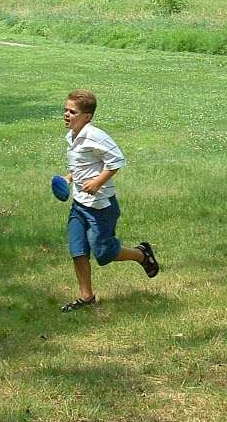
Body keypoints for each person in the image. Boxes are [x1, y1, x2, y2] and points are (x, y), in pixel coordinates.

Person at [60, 89, 159, 312]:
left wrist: (97, 182)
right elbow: (82, 166)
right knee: (77, 250)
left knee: (103, 253)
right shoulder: (72, 136)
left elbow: (116, 161)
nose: (66, 114)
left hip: (100, 207)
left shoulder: (95, 135)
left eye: (72, 111)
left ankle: (141, 254)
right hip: (79, 204)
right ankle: (87, 297)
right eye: (65, 110)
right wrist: (68, 178)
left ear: (87, 116)